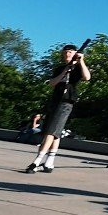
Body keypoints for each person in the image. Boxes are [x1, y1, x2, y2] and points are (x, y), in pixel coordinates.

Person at [26, 45, 90, 173]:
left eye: (70, 52)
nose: (67, 54)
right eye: (65, 52)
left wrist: (81, 61)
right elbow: (52, 83)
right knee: (56, 132)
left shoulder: (78, 68)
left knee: (51, 132)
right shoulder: (60, 68)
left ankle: (37, 161)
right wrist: (65, 70)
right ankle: (49, 163)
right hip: (55, 101)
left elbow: (87, 77)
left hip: (66, 102)